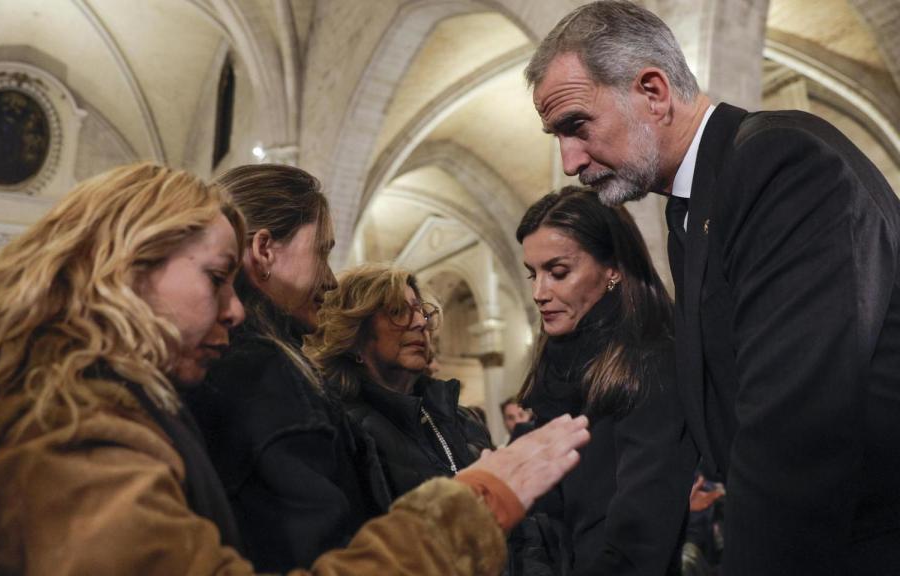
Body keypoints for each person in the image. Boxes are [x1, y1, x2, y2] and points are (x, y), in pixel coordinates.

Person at [0, 162, 592, 575]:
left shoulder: (50, 397)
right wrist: (473, 506)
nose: (236, 309)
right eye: (216, 278)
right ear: (128, 268)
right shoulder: (64, 432)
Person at [525, 2, 900, 573]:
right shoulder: (695, 205)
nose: (570, 160)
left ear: (653, 92)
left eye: (577, 126)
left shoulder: (776, 163)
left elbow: (794, 432)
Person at [183, 164, 385, 572]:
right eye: (322, 252)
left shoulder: (213, 362)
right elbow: (317, 552)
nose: (332, 281)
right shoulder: (262, 370)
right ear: (264, 250)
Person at [516, 186, 696, 575]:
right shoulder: (557, 366)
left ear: (613, 268)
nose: (538, 293)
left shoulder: (651, 362)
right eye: (533, 274)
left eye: (558, 272)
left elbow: (642, 531)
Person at [306, 263, 494, 499]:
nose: (420, 322)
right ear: (353, 334)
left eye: (421, 311)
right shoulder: (341, 433)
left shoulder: (463, 419)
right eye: (397, 311)